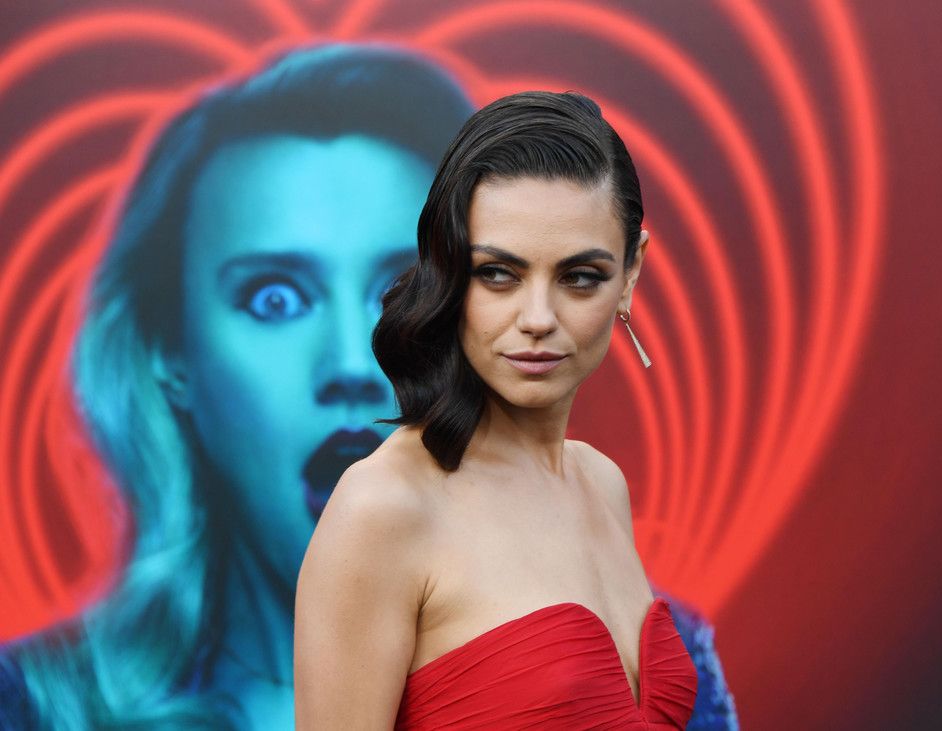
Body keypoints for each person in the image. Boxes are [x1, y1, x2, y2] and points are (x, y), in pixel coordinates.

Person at [2, 46, 736, 730]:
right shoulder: (35, 705)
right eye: (275, 298)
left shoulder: (616, 524)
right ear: (170, 348)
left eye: (404, 286)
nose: (354, 363)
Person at [294, 89, 730, 729]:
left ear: (631, 272)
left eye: (580, 277)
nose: (538, 319)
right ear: (448, 272)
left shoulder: (601, 483)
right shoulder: (383, 508)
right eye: (498, 273)